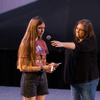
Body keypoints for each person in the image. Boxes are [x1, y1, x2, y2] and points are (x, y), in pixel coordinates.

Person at [51, 19, 99, 100]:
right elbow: (70, 58)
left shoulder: (91, 42)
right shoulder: (76, 41)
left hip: (87, 81)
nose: (77, 31)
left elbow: (79, 47)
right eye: (77, 28)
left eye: (81, 30)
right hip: (74, 81)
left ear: (87, 31)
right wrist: (58, 65)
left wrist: (62, 44)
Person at [17, 16, 59, 100]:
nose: (43, 31)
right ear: (33, 28)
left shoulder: (42, 42)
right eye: (40, 28)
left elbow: (41, 62)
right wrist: (43, 68)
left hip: (42, 78)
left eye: (43, 28)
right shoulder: (25, 44)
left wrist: (49, 65)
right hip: (30, 79)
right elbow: (22, 67)